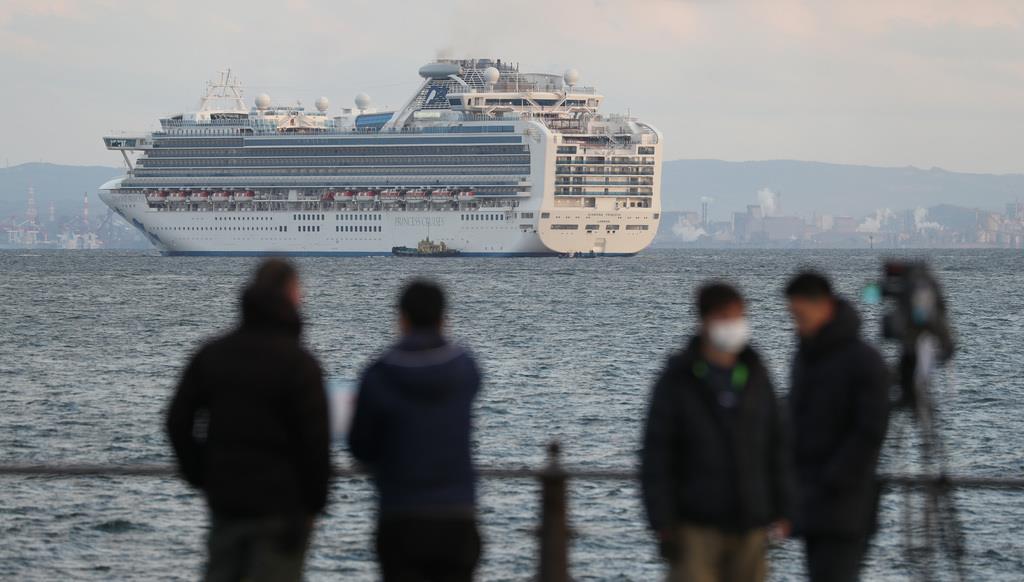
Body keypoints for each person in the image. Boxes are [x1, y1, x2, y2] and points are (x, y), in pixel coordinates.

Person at [166, 259, 330, 582]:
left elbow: (176, 421)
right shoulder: (301, 364)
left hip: (227, 504)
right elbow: (316, 445)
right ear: (291, 295)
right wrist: (313, 506)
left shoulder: (212, 353)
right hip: (282, 510)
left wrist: (203, 475)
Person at [641, 282, 793, 582]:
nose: (735, 326)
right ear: (705, 321)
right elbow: (656, 453)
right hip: (694, 524)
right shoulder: (677, 379)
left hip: (751, 523)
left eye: (739, 316)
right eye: (726, 317)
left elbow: (778, 444)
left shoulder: (756, 375)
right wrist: (662, 519)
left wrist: (784, 507)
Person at [348, 280, 482, 582]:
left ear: (401, 318)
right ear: (444, 318)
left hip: (401, 513)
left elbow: (361, 446)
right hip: (457, 514)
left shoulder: (378, 373)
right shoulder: (465, 368)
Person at [785, 271, 890, 582]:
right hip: (811, 503)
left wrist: (830, 479)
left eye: (801, 314)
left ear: (825, 306)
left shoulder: (863, 361)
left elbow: (870, 432)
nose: (797, 323)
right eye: (793, 316)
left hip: (844, 506)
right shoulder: (806, 356)